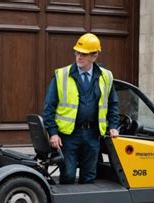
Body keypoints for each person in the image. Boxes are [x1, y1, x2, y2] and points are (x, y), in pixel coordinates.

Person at [43, 33, 119, 185]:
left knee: (89, 176)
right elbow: (48, 107)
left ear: (94, 56)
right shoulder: (61, 75)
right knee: (68, 175)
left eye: (83, 54)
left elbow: (113, 104)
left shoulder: (106, 76)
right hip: (69, 136)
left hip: (93, 135)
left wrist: (113, 126)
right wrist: (53, 133)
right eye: (77, 52)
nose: (78, 57)